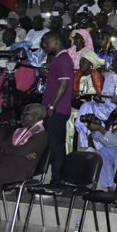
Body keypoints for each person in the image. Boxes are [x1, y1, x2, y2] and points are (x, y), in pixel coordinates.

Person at [0, 103, 46, 206]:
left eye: (25, 113)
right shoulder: (18, 131)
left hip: (19, 171)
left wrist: (11, 150)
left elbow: (20, 151)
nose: (21, 116)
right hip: (4, 167)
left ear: (35, 115)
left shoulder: (41, 135)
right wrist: (18, 151)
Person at [40, 30, 74, 183]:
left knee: (57, 147)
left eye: (46, 41)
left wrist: (52, 106)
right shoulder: (58, 59)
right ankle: (56, 179)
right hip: (55, 108)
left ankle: (57, 181)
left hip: (57, 110)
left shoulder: (64, 59)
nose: (44, 45)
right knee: (54, 145)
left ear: (56, 41)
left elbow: (64, 85)